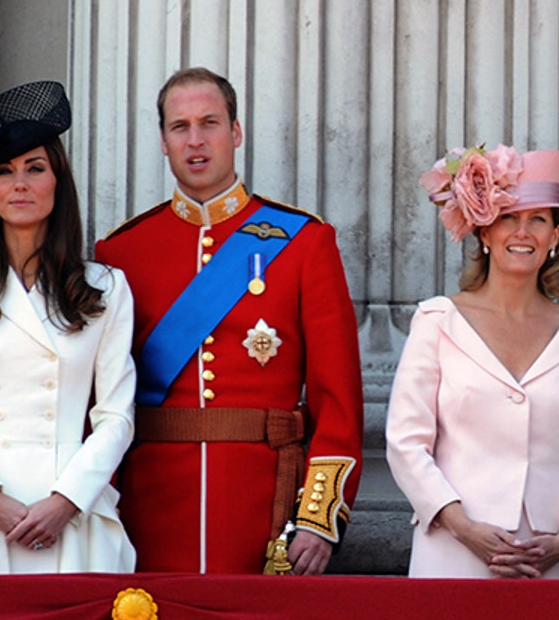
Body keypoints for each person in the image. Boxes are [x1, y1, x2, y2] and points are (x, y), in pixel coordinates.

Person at [95, 67, 362, 574]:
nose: (196, 141)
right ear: (163, 140)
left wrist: (317, 518)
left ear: (236, 133)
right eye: (180, 127)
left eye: (210, 123)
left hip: (264, 504)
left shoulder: (303, 242)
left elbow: (337, 400)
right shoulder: (121, 252)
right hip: (148, 507)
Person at [386, 146, 559, 578]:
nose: (522, 232)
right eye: (508, 217)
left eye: (539, 220)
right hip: (452, 554)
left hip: (549, 561)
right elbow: (406, 442)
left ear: (556, 237)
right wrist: (460, 524)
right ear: (484, 233)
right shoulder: (437, 321)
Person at [0, 81, 137, 573]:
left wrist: (66, 500)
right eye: (4, 172)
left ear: (58, 181)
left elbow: (116, 416)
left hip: (75, 512)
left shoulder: (104, 288)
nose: (20, 184)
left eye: (35, 168)